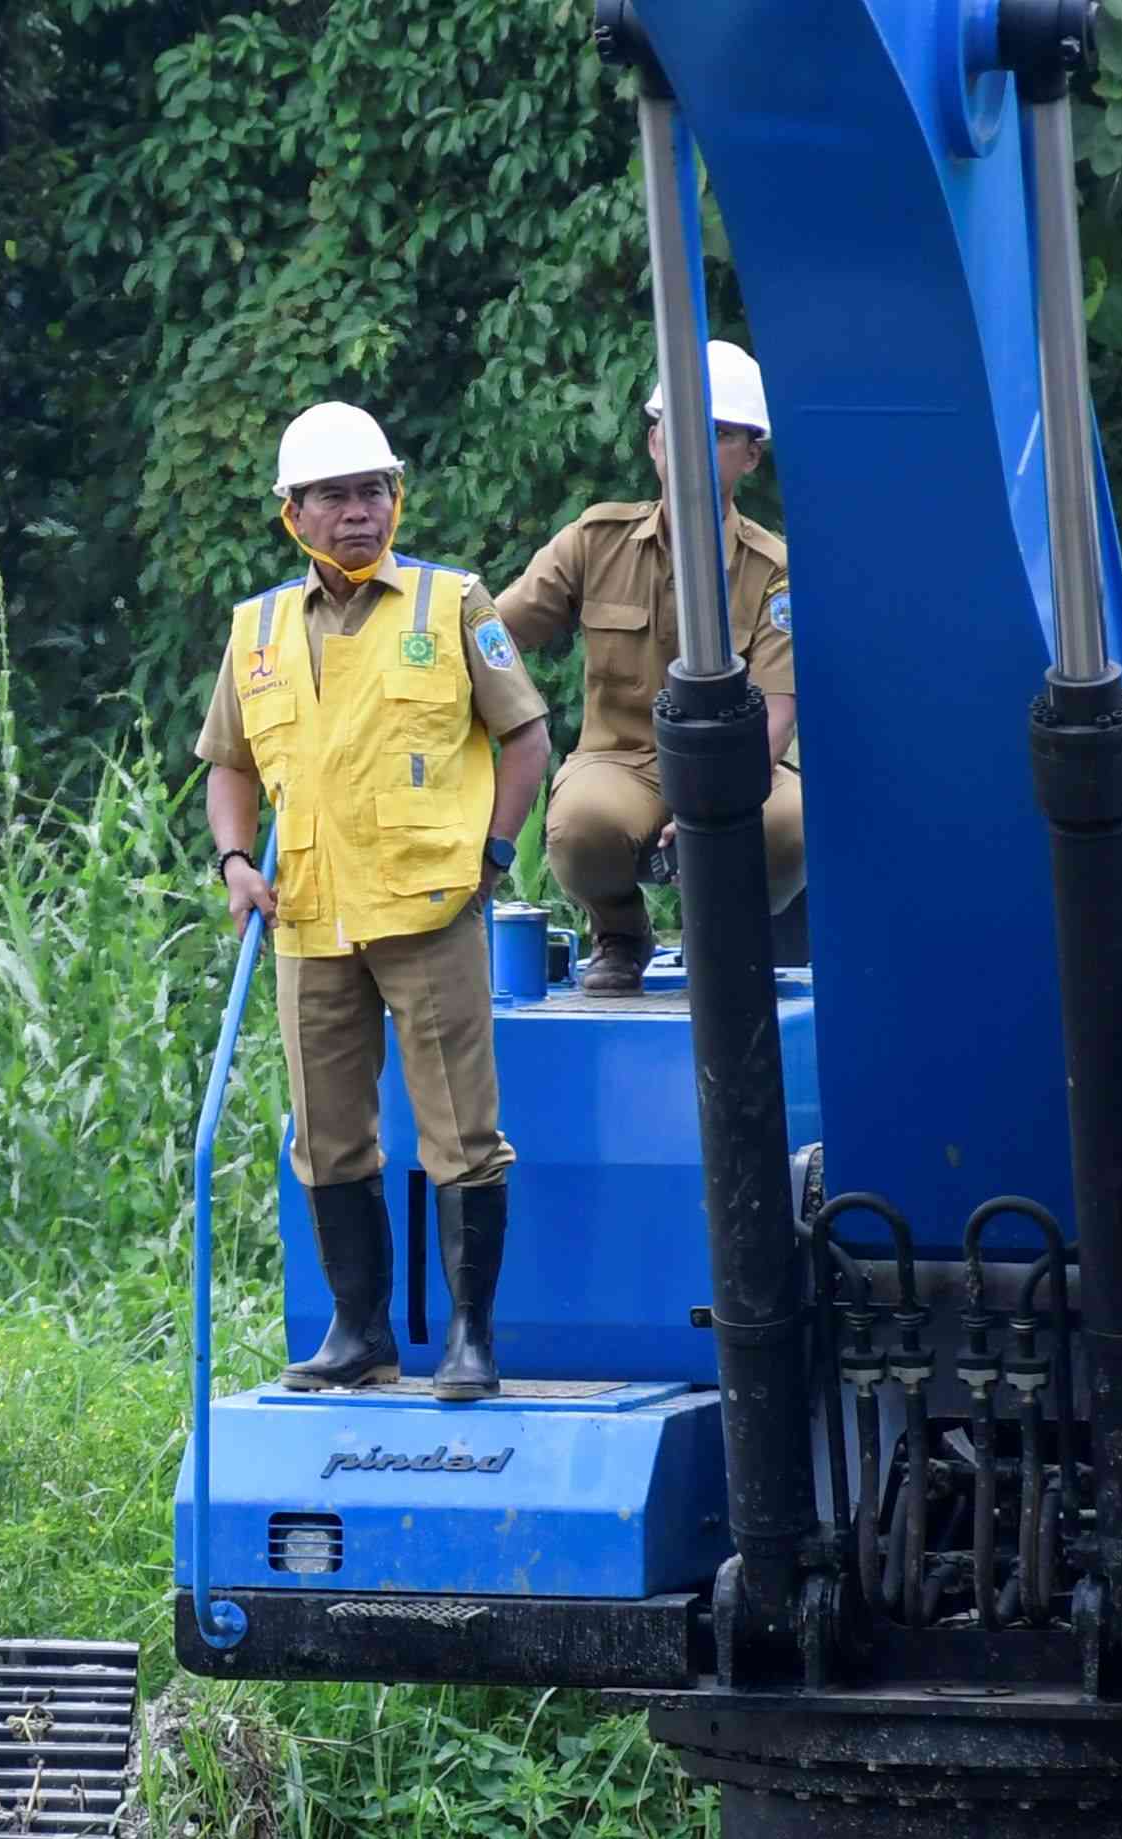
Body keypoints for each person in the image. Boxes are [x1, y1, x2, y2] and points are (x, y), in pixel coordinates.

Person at [200, 400, 551, 1402]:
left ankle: (469, 1341)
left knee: (460, 1131)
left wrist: (491, 854)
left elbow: (524, 736)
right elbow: (227, 764)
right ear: (293, 516)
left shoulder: (452, 605)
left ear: (395, 501)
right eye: (332, 497)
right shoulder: (256, 630)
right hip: (307, 914)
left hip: (430, 906)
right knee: (326, 1131)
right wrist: (235, 863)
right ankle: (358, 1333)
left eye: (372, 492)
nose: (357, 512)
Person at [494, 339, 800, 996]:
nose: (692, 448)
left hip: (743, 764)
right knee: (580, 827)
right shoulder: (594, 541)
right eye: (677, 430)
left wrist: (713, 807)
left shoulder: (774, 571)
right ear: (655, 442)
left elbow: (776, 717)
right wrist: (506, 717)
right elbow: (491, 638)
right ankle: (621, 931)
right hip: (624, 758)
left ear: (750, 454)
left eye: (716, 434)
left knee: (787, 825)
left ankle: (723, 930)